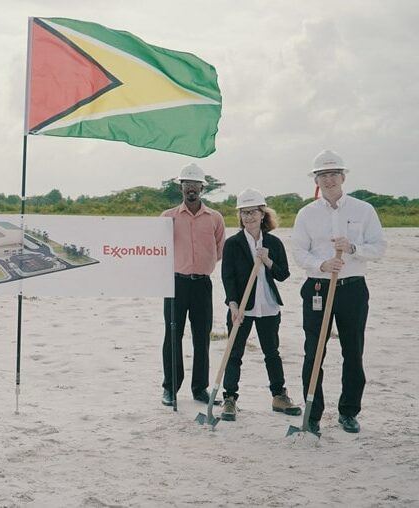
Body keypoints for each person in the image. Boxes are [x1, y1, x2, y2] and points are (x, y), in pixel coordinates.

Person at [292, 149, 386, 434]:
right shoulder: (306, 213)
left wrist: (353, 249)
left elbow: (379, 247)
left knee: (353, 351)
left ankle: (348, 411)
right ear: (316, 180)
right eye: (323, 175)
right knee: (314, 352)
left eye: (333, 174)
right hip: (318, 288)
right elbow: (298, 252)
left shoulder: (363, 210)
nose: (329, 179)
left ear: (343, 177)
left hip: (352, 289)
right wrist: (322, 263)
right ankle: (312, 414)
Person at [219, 188, 301, 421]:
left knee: (271, 352)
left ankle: (279, 396)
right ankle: (229, 399)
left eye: (253, 212)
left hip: (269, 306)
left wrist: (267, 259)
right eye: (244, 213)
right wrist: (233, 305)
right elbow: (228, 277)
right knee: (234, 353)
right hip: (242, 307)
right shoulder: (233, 244)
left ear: (263, 214)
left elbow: (283, 274)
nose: (249, 217)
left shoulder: (273, 242)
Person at [160, 163, 225, 406]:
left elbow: (218, 250)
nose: (191, 188)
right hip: (175, 284)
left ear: (202, 187)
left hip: (202, 284)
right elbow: (159, 250)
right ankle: (170, 388)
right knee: (172, 336)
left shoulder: (214, 218)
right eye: (187, 183)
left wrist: (201, 266)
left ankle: (200, 388)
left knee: (202, 337)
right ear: (181, 187)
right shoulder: (168, 217)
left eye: (195, 184)